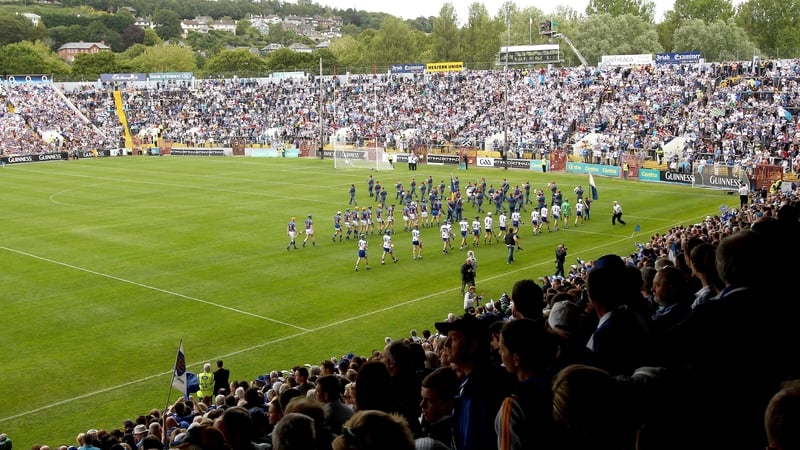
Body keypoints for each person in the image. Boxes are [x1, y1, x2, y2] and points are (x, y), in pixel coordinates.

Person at [495, 319, 557, 450]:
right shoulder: (560, 381)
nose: (500, 353)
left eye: (502, 349)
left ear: (516, 358)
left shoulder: (513, 404)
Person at [419, 367, 459, 446]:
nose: (422, 404)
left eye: (430, 401)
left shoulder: (450, 437)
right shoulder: (425, 423)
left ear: (448, 405)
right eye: (422, 398)